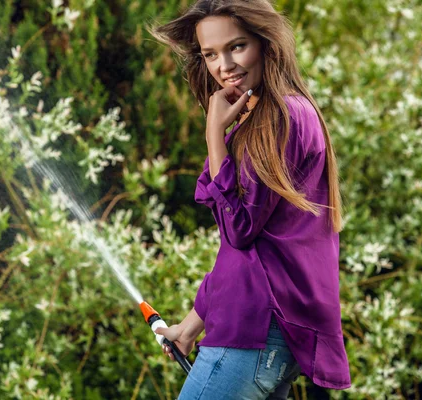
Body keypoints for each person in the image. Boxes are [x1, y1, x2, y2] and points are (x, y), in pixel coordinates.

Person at [148, 1, 351, 398]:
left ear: (266, 43)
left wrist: (213, 134)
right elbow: (246, 251)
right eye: (210, 54)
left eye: (236, 46)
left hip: (254, 332)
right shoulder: (272, 118)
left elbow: (240, 229)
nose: (223, 65)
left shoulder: (283, 118)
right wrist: (190, 328)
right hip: (268, 335)